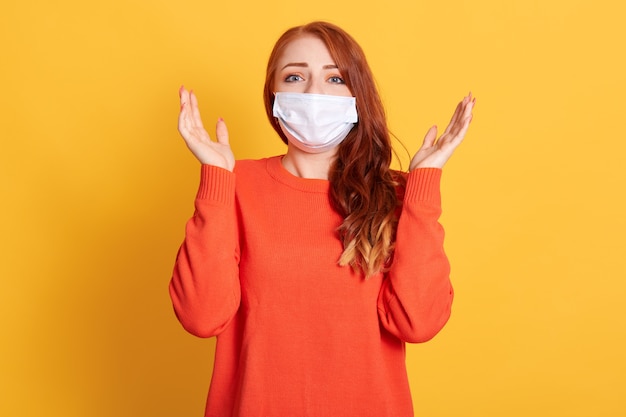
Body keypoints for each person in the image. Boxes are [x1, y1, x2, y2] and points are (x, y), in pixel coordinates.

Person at [170, 21, 474, 417]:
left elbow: (418, 323)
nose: (314, 92)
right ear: (274, 95)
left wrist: (423, 190)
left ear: (356, 96)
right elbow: (200, 316)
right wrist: (215, 178)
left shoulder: (396, 195)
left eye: (335, 78)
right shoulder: (233, 185)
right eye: (295, 76)